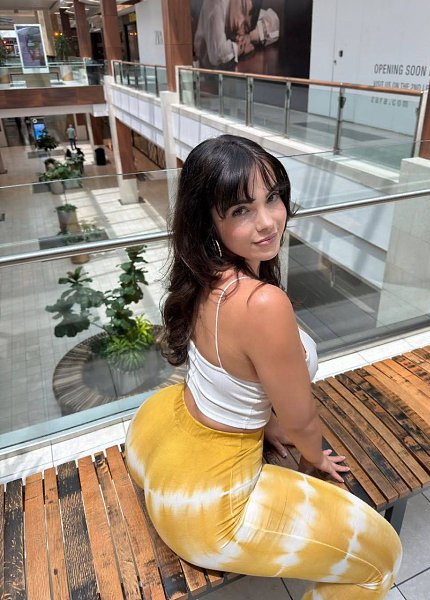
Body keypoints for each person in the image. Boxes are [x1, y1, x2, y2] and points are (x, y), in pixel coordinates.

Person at [125, 135, 402, 599]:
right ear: (208, 221)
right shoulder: (262, 303)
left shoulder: (202, 277)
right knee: (383, 559)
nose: (268, 221)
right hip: (207, 506)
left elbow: (223, 374)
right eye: (241, 210)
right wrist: (313, 458)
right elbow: (303, 421)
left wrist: (262, 422)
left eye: (272, 198)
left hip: (160, 437)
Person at [194, 0, 279, 68]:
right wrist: (238, 48)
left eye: (245, 26)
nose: (239, 23)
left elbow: (275, 26)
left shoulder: (244, 6)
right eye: (242, 9)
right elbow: (217, 55)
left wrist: (249, 36)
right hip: (201, 74)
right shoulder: (215, 3)